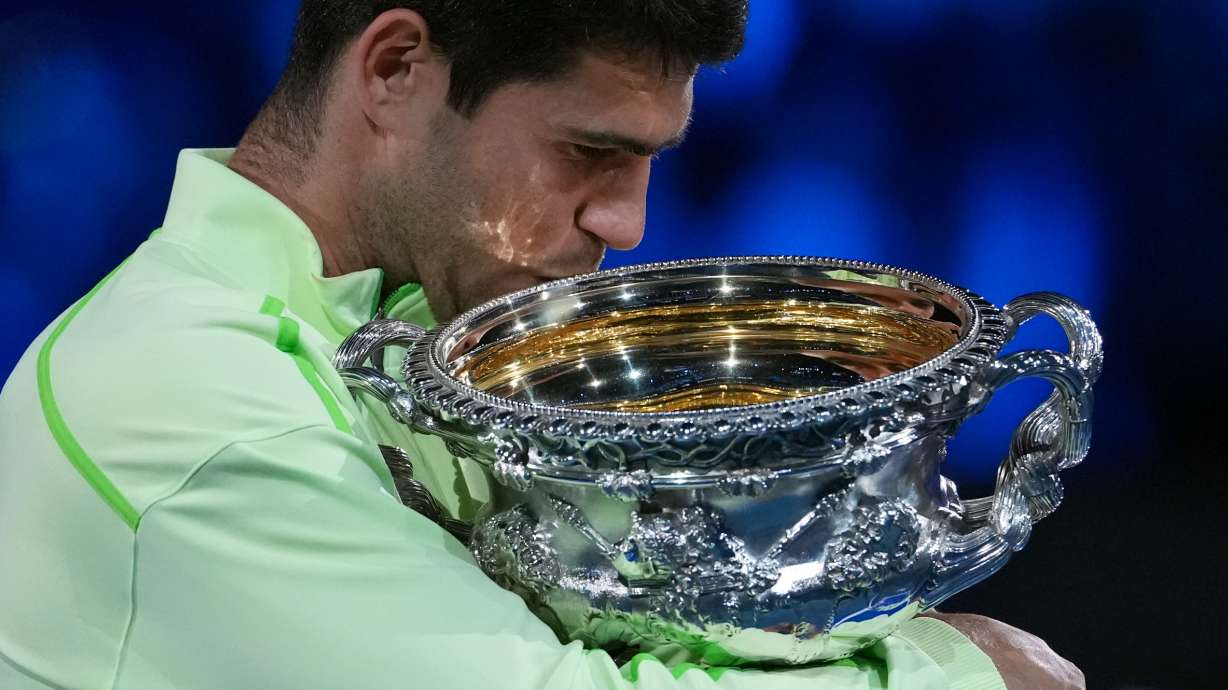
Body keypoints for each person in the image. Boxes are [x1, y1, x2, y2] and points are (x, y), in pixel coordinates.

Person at [0, 2, 1084, 688]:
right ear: (393, 71)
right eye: (588, 151)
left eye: (652, 161)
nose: (627, 224)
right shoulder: (193, 401)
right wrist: (945, 673)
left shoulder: (427, 336)